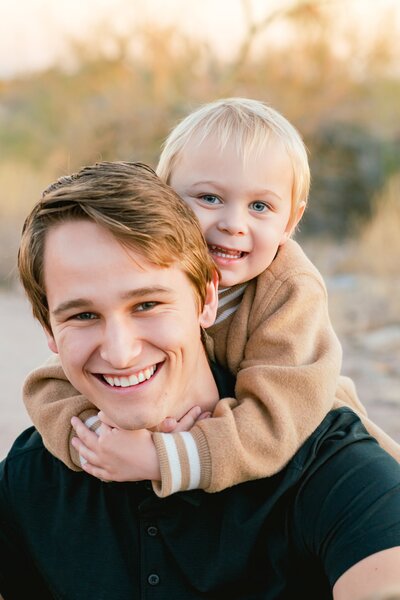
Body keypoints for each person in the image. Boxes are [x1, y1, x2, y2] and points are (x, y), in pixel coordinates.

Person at [1, 161, 400, 599]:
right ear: (49, 332)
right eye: (83, 315)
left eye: (147, 305)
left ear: (207, 299)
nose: (119, 351)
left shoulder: (327, 466)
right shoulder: (31, 479)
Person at [22, 98, 400, 497]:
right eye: (209, 199)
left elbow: (276, 420)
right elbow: (48, 387)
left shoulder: (290, 289)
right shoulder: (144, 277)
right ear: (166, 202)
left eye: (260, 206)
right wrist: (100, 440)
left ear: (290, 221)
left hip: (310, 425)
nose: (234, 224)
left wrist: (161, 456)